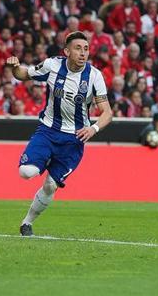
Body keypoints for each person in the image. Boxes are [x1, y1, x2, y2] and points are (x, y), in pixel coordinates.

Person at [6, 32, 113, 236]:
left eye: (86, 49)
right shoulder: (52, 65)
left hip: (74, 139)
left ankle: (27, 223)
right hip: (48, 131)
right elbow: (23, 74)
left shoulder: (94, 76)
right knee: (26, 172)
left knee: (50, 185)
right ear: (66, 51)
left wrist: (94, 128)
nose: (83, 53)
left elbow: (107, 113)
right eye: (78, 48)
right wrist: (13, 66)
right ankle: (43, 160)